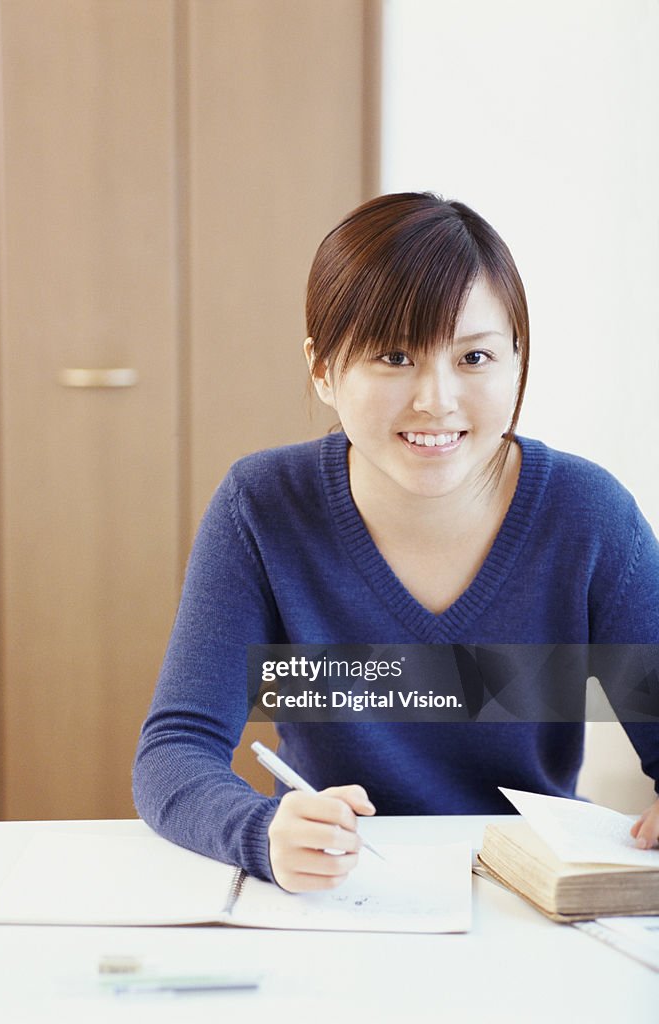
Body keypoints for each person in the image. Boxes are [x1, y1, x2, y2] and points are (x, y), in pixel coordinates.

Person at [133, 192, 659, 893]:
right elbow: (176, 750)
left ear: (516, 360)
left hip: (535, 894)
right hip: (340, 891)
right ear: (323, 369)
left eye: (474, 357)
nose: (437, 399)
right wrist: (261, 831)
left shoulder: (587, 517)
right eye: (393, 356)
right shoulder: (262, 506)